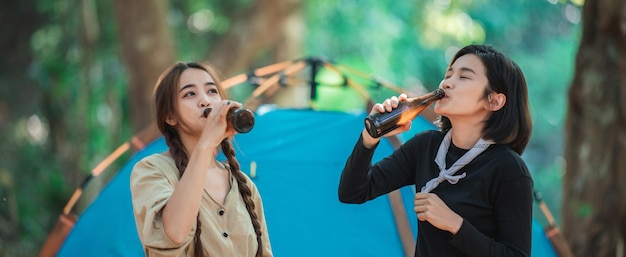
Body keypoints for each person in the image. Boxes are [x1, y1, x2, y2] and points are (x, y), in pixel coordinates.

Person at [338, 45, 533, 257]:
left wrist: (455, 224)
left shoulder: (509, 169)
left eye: (464, 77)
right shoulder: (426, 147)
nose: (446, 82)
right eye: (448, 74)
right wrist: (370, 137)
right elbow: (352, 192)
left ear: (494, 100)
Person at [130, 61, 273, 257]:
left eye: (212, 91)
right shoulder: (151, 170)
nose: (205, 101)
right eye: (190, 94)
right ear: (170, 116)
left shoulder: (244, 185)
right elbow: (174, 234)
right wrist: (205, 145)